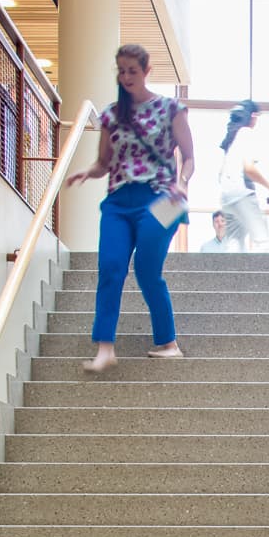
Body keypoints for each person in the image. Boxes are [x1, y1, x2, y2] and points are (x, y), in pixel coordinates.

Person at [67, 43, 193, 373]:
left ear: (146, 71)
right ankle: (105, 348)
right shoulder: (111, 114)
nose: (125, 77)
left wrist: (183, 182)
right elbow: (103, 162)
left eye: (132, 71)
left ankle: (168, 342)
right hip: (119, 202)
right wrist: (87, 172)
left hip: (164, 199)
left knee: (147, 270)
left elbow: (190, 157)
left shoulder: (171, 109)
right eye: (121, 71)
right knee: (110, 266)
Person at [216, 98, 269, 250]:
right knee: (263, 241)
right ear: (253, 116)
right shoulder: (246, 133)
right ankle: (265, 274)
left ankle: (230, 274)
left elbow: (220, 173)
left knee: (234, 244)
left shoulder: (232, 137)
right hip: (241, 193)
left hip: (226, 196)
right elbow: (249, 168)